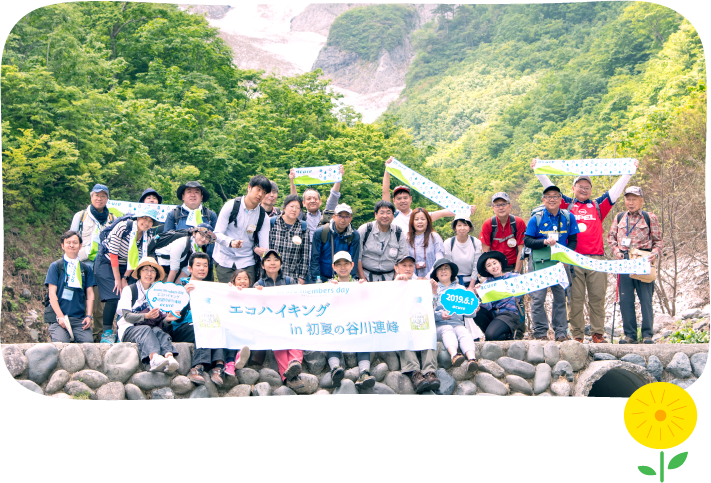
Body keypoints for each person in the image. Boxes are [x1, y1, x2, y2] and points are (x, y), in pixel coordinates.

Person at [531, 158, 638, 343]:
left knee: (597, 298)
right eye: (580, 186)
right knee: (575, 300)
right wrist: (539, 170)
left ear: (591, 189)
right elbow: (552, 191)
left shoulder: (598, 205)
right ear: (573, 188)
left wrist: (629, 171)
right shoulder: (567, 205)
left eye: (587, 186)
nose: (583, 189)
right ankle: (578, 335)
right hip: (573, 259)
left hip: (596, 259)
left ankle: (597, 334)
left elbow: (616, 191)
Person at [173, 252, 251, 384]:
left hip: (206, 323)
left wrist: (235, 292)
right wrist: (183, 296)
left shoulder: (212, 288)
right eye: (198, 265)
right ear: (190, 268)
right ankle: (197, 367)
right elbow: (174, 317)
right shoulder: (179, 288)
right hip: (183, 327)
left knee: (218, 325)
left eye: (205, 265)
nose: (202, 268)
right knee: (206, 326)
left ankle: (219, 366)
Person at [94, 207, 161, 344]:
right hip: (107, 261)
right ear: (138, 218)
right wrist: (118, 279)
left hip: (128, 266)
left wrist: (125, 277)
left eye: (150, 221)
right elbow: (113, 254)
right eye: (144, 218)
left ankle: (121, 331)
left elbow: (135, 260)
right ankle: (106, 333)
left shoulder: (147, 236)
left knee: (128, 295)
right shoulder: (123, 227)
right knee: (114, 295)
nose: (146, 223)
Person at [607, 187, 662, 345]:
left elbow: (658, 241)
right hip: (624, 260)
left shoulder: (649, 217)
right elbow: (611, 237)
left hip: (643, 259)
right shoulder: (619, 217)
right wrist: (616, 251)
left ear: (641, 200)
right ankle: (630, 335)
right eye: (628, 199)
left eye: (634, 199)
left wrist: (655, 254)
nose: (630, 202)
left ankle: (647, 335)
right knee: (625, 300)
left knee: (645, 299)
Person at [524, 185, 579, 341]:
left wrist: (566, 259)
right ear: (543, 200)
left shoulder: (568, 217)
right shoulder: (537, 218)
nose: (552, 199)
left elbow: (573, 240)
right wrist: (544, 242)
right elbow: (527, 241)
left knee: (561, 297)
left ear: (561, 199)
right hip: (539, 263)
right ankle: (541, 332)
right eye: (548, 196)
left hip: (560, 264)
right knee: (538, 299)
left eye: (555, 196)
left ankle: (561, 332)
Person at [116, 257, 181, 373]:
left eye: (152, 271)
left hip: (150, 329)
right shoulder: (129, 290)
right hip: (128, 329)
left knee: (158, 331)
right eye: (145, 270)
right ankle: (153, 358)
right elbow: (126, 316)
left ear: (156, 275)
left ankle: (169, 357)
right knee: (146, 329)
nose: (149, 274)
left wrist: (168, 319)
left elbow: (160, 320)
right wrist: (146, 316)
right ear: (140, 272)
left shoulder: (157, 293)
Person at [69, 183, 116, 341]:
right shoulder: (80, 216)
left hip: (106, 267)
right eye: (97, 195)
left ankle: (99, 337)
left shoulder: (113, 219)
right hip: (84, 265)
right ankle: (81, 335)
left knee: (102, 305)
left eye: (103, 196)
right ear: (91, 197)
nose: (100, 198)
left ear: (107, 199)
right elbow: (72, 241)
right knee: (83, 301)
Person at [253, 249, 305, 390]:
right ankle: (289, 376)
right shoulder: (258, 284)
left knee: (296, 334)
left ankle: (294, 364)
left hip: (290, 320)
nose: (272, 263)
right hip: (270, 324)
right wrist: (256, 294)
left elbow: (299, 301)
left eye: (276, 259)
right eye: (268, 260)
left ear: (281, 263)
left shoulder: (289, 281)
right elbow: (253, 306)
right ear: (263, 265)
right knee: (277, 342)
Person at [323, 251, 375, 390]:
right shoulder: (327, 284)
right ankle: (335, 370)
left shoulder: (360, 284)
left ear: (352, 265)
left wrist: (365, 289)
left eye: (346, 263)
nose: (343, 267)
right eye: (339, 264)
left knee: (364, 336)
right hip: (336, 326)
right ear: (333, 267)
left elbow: (371, 303)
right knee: (330, 336)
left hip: (355, 325)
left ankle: (364, 373)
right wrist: (328, 290)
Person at [382, 157, 475, 231]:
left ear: (410, 199)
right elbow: (385, 191)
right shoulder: (390, 215)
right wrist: (387, 170)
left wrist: (466, 209)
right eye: (399, 198)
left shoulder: (419, 216)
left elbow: (442, 213)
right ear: (393, 200)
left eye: (405, 197)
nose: (402, 200)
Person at [392, 255, 441, 393]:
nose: (408, 268)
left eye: (410, 266)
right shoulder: (391, 285)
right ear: (396, 268)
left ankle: (430, 372)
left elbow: (430, 309)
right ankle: (415, 372)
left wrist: (433, 293)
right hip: (401, 325)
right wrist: (396, 283)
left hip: (417, 322)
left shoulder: (421, 284)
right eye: (404, 265)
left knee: (428, 329)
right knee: (402, 331)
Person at [213, 175, 272, 285]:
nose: (260, 194)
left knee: (246, 297)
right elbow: (216, 234)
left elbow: (264, 247)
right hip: (224, 258)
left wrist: (266, 256)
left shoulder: (263, 217)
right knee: (228, 295)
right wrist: (231, 242)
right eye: (258, 189)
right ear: (249, 188)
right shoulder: (231, 206)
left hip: (246, 260)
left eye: (264, 192)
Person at [44, 231, 97, 343]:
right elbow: (52, 294)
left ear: (80, 246)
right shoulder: (56, 266)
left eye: (75, 242)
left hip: (79, 318)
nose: (71, 245)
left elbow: (90, 294)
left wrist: (89, 316)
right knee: (62, 345)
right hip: (58, 318)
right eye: (68, 242)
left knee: (88, 344)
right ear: (62, 246)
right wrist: (60, 316)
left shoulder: (86, 269)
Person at [431, 258, 478, 371]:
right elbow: (428, 313)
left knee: (463, 331)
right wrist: (439, 315)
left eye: (446, 268)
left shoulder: (461, 289)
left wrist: (473, 310)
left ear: (451, 272)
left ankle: (472, 359)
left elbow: (469, 314)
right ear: (436, 274)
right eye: (440, 269)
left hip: (457, 324)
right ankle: (454, 355)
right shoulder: (431, 290)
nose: (443, 271)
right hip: (439, 326)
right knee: (447, 328)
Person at [472, 251, 524, 341]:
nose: (493, 267)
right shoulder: (485, 284)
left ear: (500, 263)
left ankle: (501, 334)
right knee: (475, 311)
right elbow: (487, 307)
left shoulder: (514, 277)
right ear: (486, 270)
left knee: (490, 336)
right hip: (494, 315)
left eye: (494, 263)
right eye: (489, 265)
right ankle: (501, 335)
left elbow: (523, 291)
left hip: (509, 314)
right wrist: (480, 294)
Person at [289, 165, 345, 242]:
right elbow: (294, 200)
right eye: (309, 198)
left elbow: (333, 198)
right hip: (305, 252)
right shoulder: (301, 217)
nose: (312, 201)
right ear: (304, 203)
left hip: (323, 252)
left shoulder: (326, 216)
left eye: (315, 198)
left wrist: (338, 177)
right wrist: (292, 181)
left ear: (320, 202)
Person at [357, 201, 409, 281]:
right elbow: (357, 257)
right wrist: (362, 278)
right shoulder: (365, 230)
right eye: (381, 213)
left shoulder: (398, 232)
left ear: (393, 216)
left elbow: (402, 257)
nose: (385, 216)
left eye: (388, 213)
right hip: (365, 276)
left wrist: (396, 279)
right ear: (375, 215)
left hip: (390, 278)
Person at [310, 203, 360, 282]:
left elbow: (353, 260)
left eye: (346, 216)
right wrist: (317, 280)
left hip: (343, 279)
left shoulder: (354, 235)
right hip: (322, 277)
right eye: (340, 216)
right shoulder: (321, 232)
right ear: (334, 217)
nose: (343, 220)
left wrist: (351, 281)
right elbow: (314, 259)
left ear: (350, 219)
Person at [268, 194, 311, 284]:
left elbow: (305, 255)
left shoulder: (303, 228)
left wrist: (302, 277)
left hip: (292, 277)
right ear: (284, 207)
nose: (294, 210)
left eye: (298, 207)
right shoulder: (272, 223)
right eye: (291, 206)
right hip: (271, 275)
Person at [479, 192, 525, 274]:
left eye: (504, 204)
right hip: (496, 269)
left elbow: (521, 251)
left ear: (510, 206)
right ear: (493, 208)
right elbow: (486, 253)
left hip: (514, 266)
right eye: (497, 205)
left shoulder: (518, 222)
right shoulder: (488, 224)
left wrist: (516, 272)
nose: (501, 208)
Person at [444, 214, 483, 289]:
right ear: (455, 228)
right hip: (453, 281)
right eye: (459, 225)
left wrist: (471, 287)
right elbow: (449, 265)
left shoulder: (476, 242)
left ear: (469, 228)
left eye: (465, 225)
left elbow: (476, 266)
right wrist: (458, 285)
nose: (462, 228)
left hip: (472, 281)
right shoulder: (448, 243)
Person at [406, 207, 445, 278]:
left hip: (433, 279)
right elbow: (404, 261)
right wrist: (415, 278)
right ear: (412, 222)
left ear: (427, 221)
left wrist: (428, 277)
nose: (420, 221)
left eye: (423, 219)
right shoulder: (407, 238)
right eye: (416, 219)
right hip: (412, 280)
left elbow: (439, 259)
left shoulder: (434, 237)